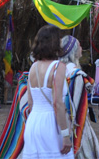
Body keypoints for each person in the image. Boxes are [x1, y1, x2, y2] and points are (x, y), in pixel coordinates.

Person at [23, 25, 73, 158]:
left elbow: (30, 102)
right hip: (51, 124)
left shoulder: (33, 67)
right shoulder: (58, 67)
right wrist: (65, 135)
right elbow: (57, 103)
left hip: (33, 122)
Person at [59, 35, 99, 159]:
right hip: (75, 123)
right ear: (73, 51)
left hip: (58, 122)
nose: (82, 49)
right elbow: (77, 109)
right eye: (79, 46)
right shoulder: (76, 75)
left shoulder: (56, 69)